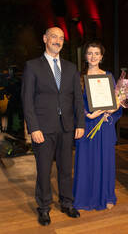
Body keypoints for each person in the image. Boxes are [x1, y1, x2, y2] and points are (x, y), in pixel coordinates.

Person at [21, 27, 85, 226]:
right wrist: (34, 128)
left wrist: (80, 123)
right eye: (54, 37)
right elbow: (27, 100)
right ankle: (44, 207)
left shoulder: (71, 68)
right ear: (45, 39)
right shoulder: (32, 66)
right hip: (43, 128)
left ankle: (67, 203)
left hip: (67, 127)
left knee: (66, 169)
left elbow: (77, 99)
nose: (58, 40)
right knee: (44, 170)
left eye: (61, 38)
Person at [73, 41, 122, 210]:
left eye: (96, 53)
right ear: (85, 56)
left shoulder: (108, 76)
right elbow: (74, 103)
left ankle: (107, 196)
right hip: (86, 123)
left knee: (105, 160)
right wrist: (88, 114)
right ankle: (84, 197)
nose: (93, 56)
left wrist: (108, 110)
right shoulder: (79, 76)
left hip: (104, 125)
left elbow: (115, 103)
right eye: (89, 53)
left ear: (101, 56)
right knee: (85, 161)